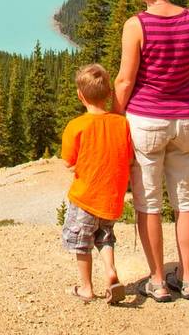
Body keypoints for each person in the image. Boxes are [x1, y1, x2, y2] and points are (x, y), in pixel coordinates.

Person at [112, 0, 189, 302]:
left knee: (148, 203)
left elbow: (125, 80)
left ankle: (157, 281)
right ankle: (188, 278)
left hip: (146, 121)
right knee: (187, 202)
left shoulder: (137, 24)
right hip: (185, 119)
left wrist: (115, 116)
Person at [60, 63, 131, 305]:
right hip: (111, 198)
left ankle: (87, 288)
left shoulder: (76, 126)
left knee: (82, 243)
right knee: (105, 237)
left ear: (80, 96)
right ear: (109, 93)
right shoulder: (122, 124)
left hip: (85, 198)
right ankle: (111, 272)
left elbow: (68, 162)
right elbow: (128, 156)